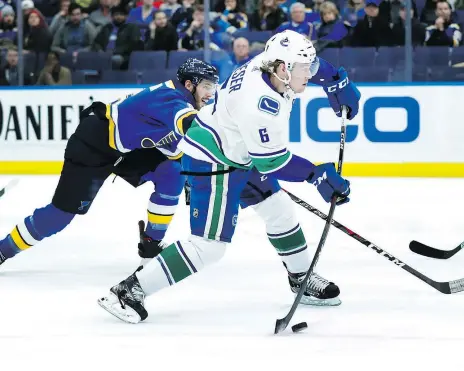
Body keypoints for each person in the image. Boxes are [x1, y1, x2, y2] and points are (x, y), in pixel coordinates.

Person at [97, 30, 361, 324]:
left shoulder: (269, 62)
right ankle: (129, 291)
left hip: (238, 151)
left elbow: (307, 62)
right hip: (213, 163)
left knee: (279, 210)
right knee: (209, 246)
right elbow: (273, 162)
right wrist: (316, 175)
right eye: (306, 70)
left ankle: (301, 278)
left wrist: (335, 78)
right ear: (284, 69)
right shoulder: (260, 105)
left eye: (312, 68)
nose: (311, 74)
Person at [0, 58, 218, 267]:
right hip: (93, 145)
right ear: (189, 84)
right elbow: (190, 126)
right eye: (207, 86)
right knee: (60, 216)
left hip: (127, 149)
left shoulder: (185, 100)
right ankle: (3, 250)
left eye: (213, 87)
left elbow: (175, 148)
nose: (211, 93)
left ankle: (151, 245)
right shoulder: (172, 98)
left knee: (172, 172)